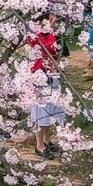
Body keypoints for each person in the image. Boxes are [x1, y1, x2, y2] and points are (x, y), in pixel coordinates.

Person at [27, 13, 66, 159]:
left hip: (51, 71)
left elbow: (59, 49)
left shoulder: (50, 32)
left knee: (51, 106)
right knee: (40, 108)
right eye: (49, 18)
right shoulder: (34, 34)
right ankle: (39, 145)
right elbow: (48, 48)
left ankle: (46, 139)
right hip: (39, 73)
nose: (53, 20)